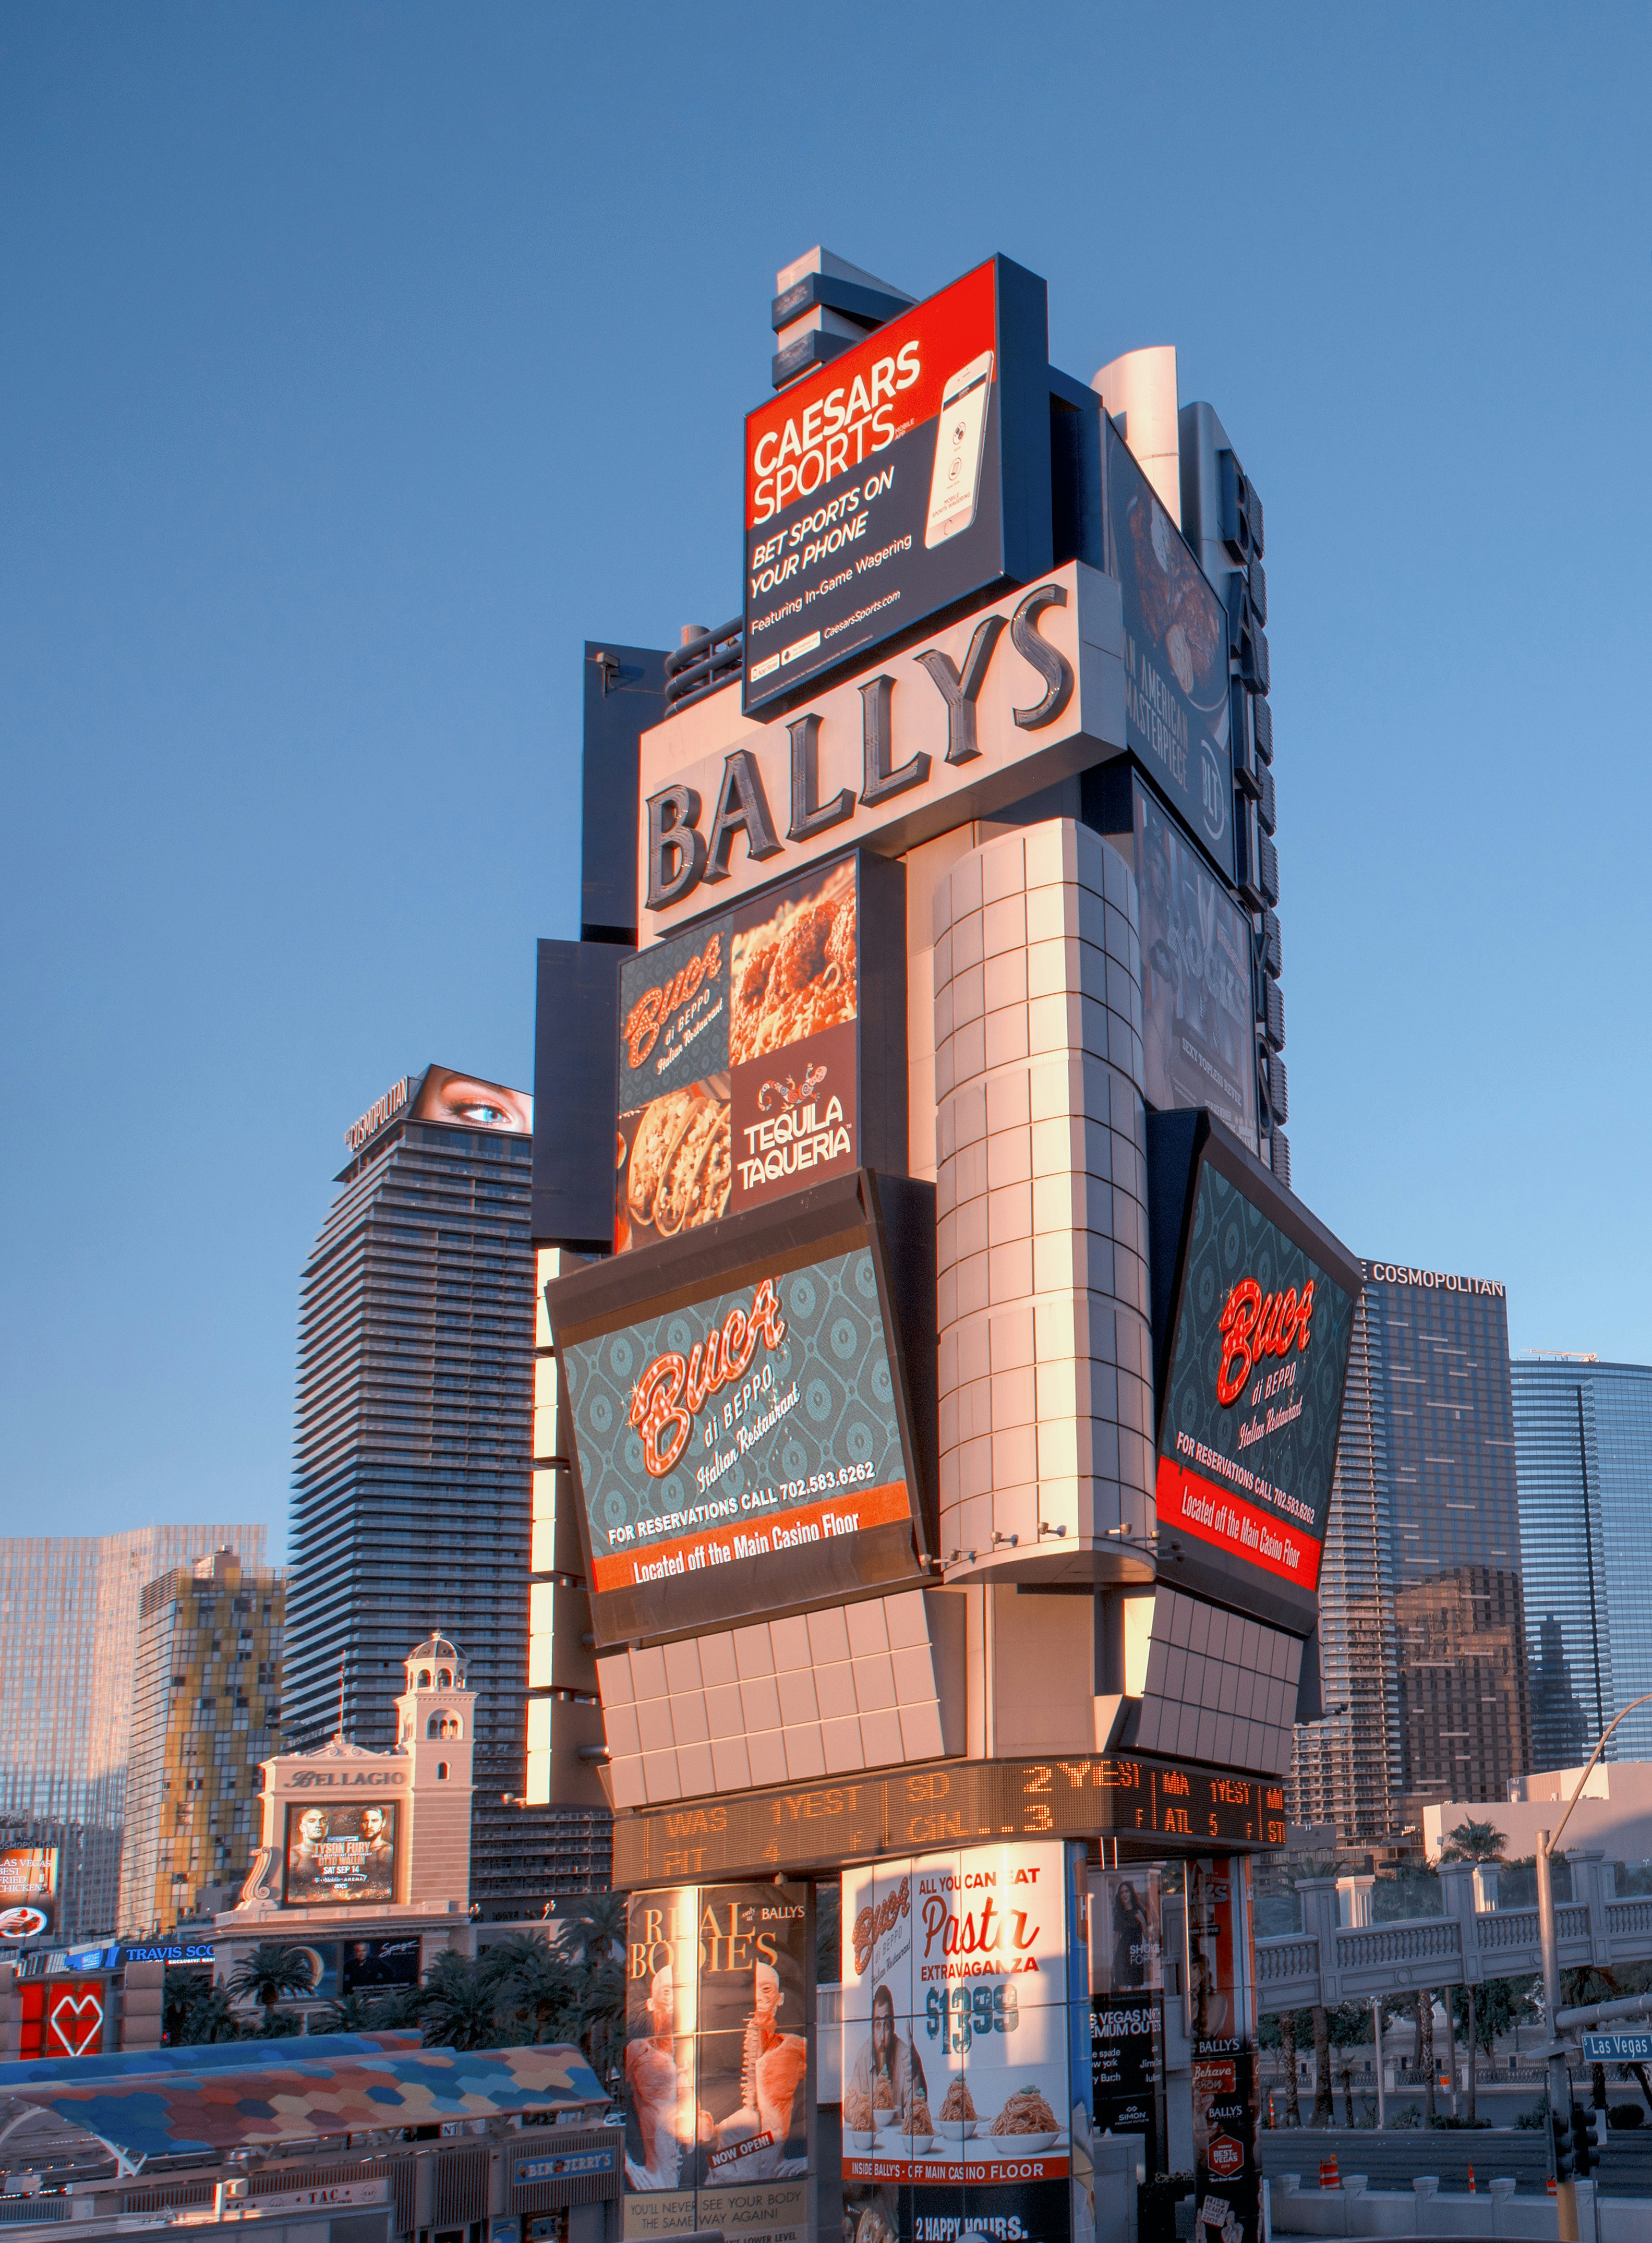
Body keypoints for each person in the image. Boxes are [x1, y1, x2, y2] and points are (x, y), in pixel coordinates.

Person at [846, 1983, 918, 2125]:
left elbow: (917, 2110)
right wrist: (853, 2108)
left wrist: (917, 2073)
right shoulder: (864, 2055)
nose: (882, 2039)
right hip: (872, 2135)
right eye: (878, 2026)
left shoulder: (904, 2054)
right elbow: (848, 2107)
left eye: (887, 2026)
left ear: (893, 2027)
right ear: (873, 2028)